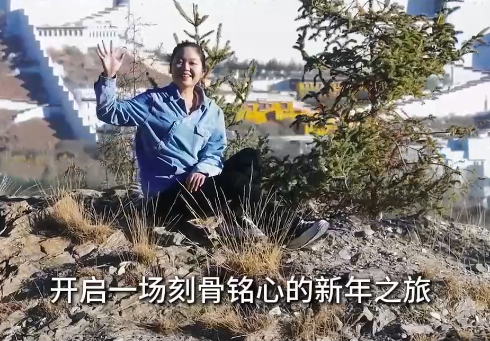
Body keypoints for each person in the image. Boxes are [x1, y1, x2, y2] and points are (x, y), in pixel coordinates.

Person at [93, 40, 330, 250]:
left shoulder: (212, 111)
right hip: (164, 197)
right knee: (233, 182)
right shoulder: (153, 102)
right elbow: (110, 112)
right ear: (171, 67)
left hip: (197, 187)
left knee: (250, 157)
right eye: (179, 62)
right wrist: (109, 76)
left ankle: (236, 218)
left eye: (192, 63)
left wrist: (202, 169)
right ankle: (288, 230)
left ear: (203, 71)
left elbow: (215, 152)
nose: (185, 67)